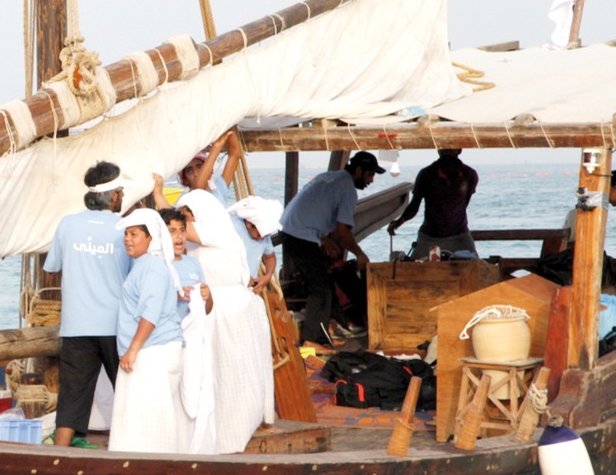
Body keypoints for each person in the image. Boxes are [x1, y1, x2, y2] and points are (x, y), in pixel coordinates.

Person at [175, 189, 274, 454]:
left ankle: (232, 432)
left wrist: (160, 194)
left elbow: (175, 225)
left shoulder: (214, 231)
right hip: (217, 305)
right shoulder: (210, 234)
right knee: (217, 371)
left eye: (185, 215)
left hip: (228, 310)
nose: (182, 224)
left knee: (231, 372)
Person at [43, 161, 132, 448]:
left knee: (72, 395)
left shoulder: (68, 224)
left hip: (76, 324)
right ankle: (138, 449)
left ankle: (59, 455)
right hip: (116, 325)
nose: (122, 196)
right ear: (114, 195)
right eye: (121, 191)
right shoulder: (125, 229)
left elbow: (52, 266)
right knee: (129, 392)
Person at [279, 151, 384, 346]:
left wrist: (324, 238)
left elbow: (316, 210)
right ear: (358, 170)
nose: (371, 180)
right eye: (369, 174)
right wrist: (360, 254)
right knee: (321, 288)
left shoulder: (330, 177)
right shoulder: (348, 189)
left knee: (325, 282)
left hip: (293, 230)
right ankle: (312, 340)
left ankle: (327, 330)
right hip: (301, 235)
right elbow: (343, 231)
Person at [108, 209, 189, 454]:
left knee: (148, 418)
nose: (127, 239)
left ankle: (149, 467)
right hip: (152, 348)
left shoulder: (151, 268)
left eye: (134, 234)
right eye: (126, 234)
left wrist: (132, 350)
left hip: (152, 350)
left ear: (151, 238)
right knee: (144, 417)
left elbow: (150, 314)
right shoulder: (145, 265)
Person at [387, 149, 480, 258]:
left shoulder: (469, 174)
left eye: (450, 148)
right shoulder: (427, 174)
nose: (446, 151)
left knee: (475, 268)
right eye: (443, 148)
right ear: (438, 150)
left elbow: (463, 204)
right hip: (430, 236)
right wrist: (400, 221)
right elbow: (414, 204)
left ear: (459, 150)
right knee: (413, 270)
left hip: (459, 235)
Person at [159, 208, 213, 319]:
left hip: (191, 333)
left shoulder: (193, 263)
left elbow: (207, 310)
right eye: (172, 231)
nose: (179, 236)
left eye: (182, 230)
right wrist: (176, 296)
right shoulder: (157, 264)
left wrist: (207, 296)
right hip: (167, 333)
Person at [178, 130, 244, 208]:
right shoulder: (187, 202)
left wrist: (230, 128)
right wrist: (216, 148)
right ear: (185, 180)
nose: (196, 173)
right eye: (190, 171)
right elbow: (199, 188)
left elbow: (234, 155)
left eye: (199, 167)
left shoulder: (218, 189)